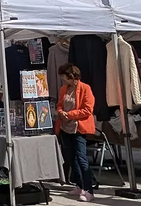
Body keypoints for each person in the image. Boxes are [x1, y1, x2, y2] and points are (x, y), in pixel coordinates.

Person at [56, 64, 95, 203]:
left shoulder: (85, 88)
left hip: (79, 127)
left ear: (71, 76)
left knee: (81, 157)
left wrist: (70, 114)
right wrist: (61, 112)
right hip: (65, 127)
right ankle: (79, 185)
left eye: (63, 76)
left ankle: (89, 190)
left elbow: (88, 109)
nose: (62, 79)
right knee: (70, 157)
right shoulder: (63, 89)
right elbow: (59, 104)